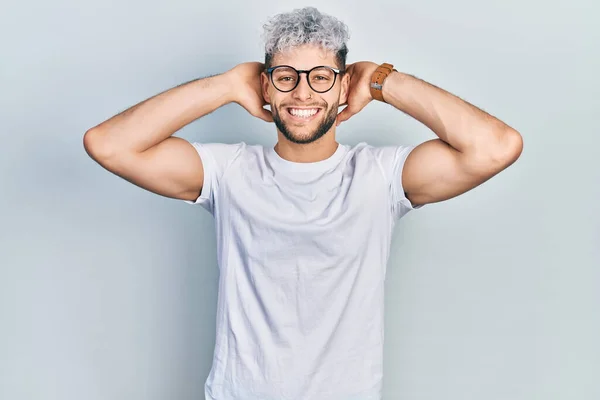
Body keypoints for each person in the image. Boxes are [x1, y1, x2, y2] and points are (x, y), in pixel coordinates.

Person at [83, 6, 523, 400]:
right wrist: (227, 84)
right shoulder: (227, 171)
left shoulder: (381, 177)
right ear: (267, 87)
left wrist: (380, 80)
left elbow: (496, 147)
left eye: (321, 77)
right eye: (287, 77)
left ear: (342, 87)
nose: (303, 93)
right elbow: (108, 145)